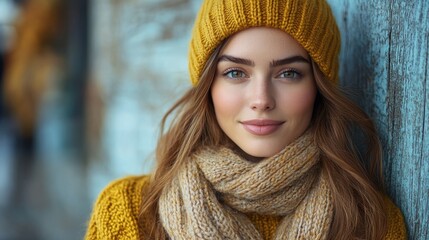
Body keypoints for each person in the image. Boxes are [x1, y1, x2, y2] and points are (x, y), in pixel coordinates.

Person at [85, 0, 407, 239]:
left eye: (289, 73)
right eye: (236, 72)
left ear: (318, 87)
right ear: (208, 85)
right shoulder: (128, 216)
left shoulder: (372, 224)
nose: (262, 100)